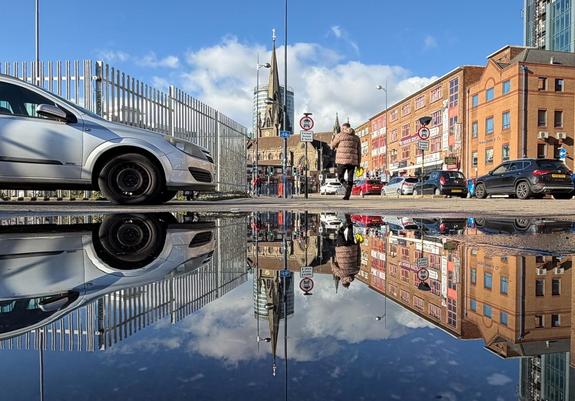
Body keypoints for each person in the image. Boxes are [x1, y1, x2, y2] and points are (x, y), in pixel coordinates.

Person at [330, 122, 361, 200]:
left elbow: (332, 146)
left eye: (342, 128)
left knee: (340, 176)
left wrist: (332, 139)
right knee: (350, 179)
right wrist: (358, 163)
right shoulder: (356, 138)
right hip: (353, 161)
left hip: (341, 161)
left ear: (344, 128)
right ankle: (347, 196)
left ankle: (345, 185)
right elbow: (359, 151)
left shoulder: (339, 135)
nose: (341, 130)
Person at [331, 214, 360, 289]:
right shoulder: (339, 274)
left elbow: (359, 258)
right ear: (343, 282)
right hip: (342, 250)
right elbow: (333, 264)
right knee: (340, 234)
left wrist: (358, 245)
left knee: (350, 232)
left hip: (352, 249)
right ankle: (346, 223)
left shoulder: (356, 271)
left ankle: (349, 219)